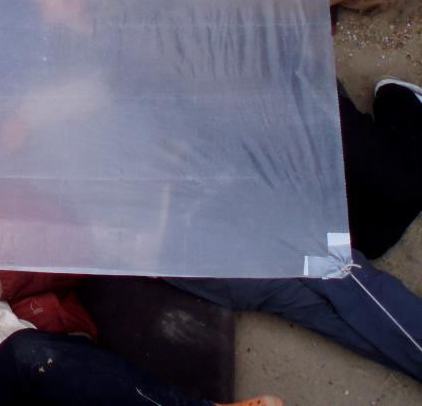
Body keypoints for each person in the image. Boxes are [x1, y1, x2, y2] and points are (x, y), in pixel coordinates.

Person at [169, 78, 422, 382]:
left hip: (271, 166)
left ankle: (399, 102)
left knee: (348, 261)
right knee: (338, 275)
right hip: (215, 237)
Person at [0, 262, 280, 406]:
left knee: (30, 353)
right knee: (21, 357)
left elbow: (77, 254)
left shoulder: (9, 203)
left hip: (53, 350)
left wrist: (2, 280)